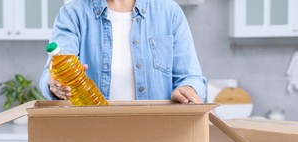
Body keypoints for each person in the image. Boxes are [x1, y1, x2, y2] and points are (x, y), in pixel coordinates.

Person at [39, 0, 206, 104]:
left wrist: (188, 89)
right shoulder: (72, 14)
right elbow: (51, 74)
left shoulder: (169, 12)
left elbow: (191, 77)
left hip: (156, 134)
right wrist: (54, 85)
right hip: (93, 134)